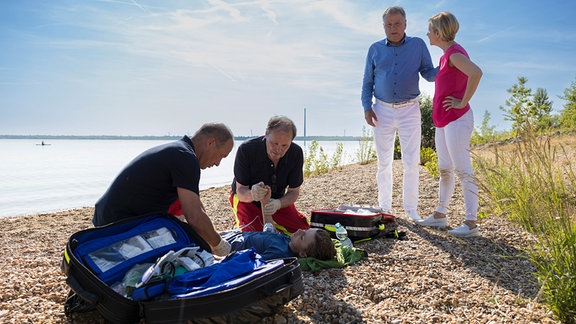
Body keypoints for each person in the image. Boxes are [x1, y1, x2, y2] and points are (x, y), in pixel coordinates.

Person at [93, 123, 235, 256]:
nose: (217, 163)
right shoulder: (185, 157)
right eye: (221, 156)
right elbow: (194, 217)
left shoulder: (180, 151)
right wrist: (219, 246)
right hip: (118, 222)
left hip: (108, 215)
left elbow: (196, 206)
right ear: (210, 143)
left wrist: (211, 238)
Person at [361, 6, 438, 222]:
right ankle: (384, 207)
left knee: (411, 161)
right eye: (388, 24)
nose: (393, 28)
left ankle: (411, 209)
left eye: (397, 23)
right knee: (383, 162)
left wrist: (446, 68)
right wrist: (367, 106)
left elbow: (429, 73)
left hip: (409, 109)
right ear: (384, 26)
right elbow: (367, 80)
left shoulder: (418, 45)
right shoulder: (374, 49)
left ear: (405, 24)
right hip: (381, 110)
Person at [417, 12, 482, 237]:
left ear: (438, 33)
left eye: (430, 29)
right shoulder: (445, 56)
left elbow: (476, 72)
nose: (427, 33)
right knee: (445, 169)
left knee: (464, 170)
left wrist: (463, 101)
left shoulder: (454, 54)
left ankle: (471, 223)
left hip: (457, 120)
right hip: (443, 121)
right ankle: (440, 215)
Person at [230, 116, 310, 234]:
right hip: (247, 200)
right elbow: (241, 191)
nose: (278, 149)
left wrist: (278, 204)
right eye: (274, 143)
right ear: (266, 134)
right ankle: (240, 222)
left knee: (301, 231)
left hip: (276, 200)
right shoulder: (246, 149)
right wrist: (252, 194)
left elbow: (294, 192)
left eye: (284, 145)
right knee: (255, 236)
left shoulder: (296, 153)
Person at [222, 228, 336, 261]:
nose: (300, 230)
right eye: (305, 230)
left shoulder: (280, 253)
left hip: (228, 245)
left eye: (302, 237)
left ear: (303, 253)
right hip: (236, 234)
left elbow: (251, 260)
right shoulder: (289, 241)